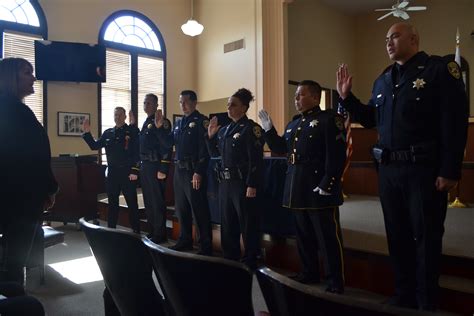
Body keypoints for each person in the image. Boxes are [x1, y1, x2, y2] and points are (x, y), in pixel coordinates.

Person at [336, 22, 468, 310]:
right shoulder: (384, 80)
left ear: (414, 38)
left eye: (395, 36)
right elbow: (371, 119)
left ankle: (426, 302)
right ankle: (404, 295)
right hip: (389, 171)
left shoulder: (438, 70)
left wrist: (449, 170)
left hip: (423, 170)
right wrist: (347, 98)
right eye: (386, 38)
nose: (388, 42)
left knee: (426, 237)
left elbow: (455, 122)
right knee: (397, 237)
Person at [258, 80, 346, 294]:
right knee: (303, 235)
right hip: (297, 187)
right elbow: (281, 148)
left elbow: (336, 155)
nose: (295, 99)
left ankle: (335, 279)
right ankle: (309, 272)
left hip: (318, 187)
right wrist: (269, 130)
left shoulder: (330, 119)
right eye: (295, 95)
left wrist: (328, 183)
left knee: (327, 238)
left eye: (300, 95)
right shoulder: (294, 123)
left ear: (315, 97)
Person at [0, 58, 58, 285]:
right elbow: (33, 158)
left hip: (12, 196)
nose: (34, 77)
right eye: (27, 72)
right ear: (10, 77)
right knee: (14, 266)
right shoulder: (16, 112)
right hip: (19, 200)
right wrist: (50, 189)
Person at [206, 88, 264, 269]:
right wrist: (210, 137)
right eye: (228, 105)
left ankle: (251, 258)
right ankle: (230, 256)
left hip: (242, 183)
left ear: (244, 108)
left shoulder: (251, 128)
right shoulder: (224, 131)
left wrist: (252, 183)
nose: (229, 108)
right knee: (227, 222)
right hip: (225, 182)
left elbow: (256, 159)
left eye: (233, 105)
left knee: (247, 223)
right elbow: (215, 155)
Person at [82, 107, 141, 233]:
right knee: (112, 204)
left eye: (120, 115)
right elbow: (94, 145)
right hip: (113, 173)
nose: (117, 117)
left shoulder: (131, 131)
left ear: (125, 116)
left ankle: (136, 232)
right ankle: (111, 231)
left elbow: (137, 152)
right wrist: (87, 133)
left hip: (127, 173)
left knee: (132, 204)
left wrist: (135, 170)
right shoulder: (108, 133)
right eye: (115, 115)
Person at [170, 90, 212, 255]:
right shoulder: (179, 123)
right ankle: (185, 239)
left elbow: (205, 151)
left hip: (193, 171)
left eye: (186, 102)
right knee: (182, 208)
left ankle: (205, 245)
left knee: (199, 210)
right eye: (180, 102)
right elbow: (169, 142)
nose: (183, 105)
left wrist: (198, 172)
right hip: (179, 170)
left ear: (194, 102)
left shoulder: (202, 122)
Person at [131, 94, 173, 243]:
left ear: (156, 105)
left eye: (149, 103)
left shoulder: (162, 122)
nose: (146, 105)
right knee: (148, 201)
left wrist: (163, 168)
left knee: (157, 202)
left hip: (156, 166)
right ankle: (153, 231)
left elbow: (166, 147)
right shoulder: (146, 122)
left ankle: (160, 234)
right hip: (145, 166)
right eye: (144, 103)